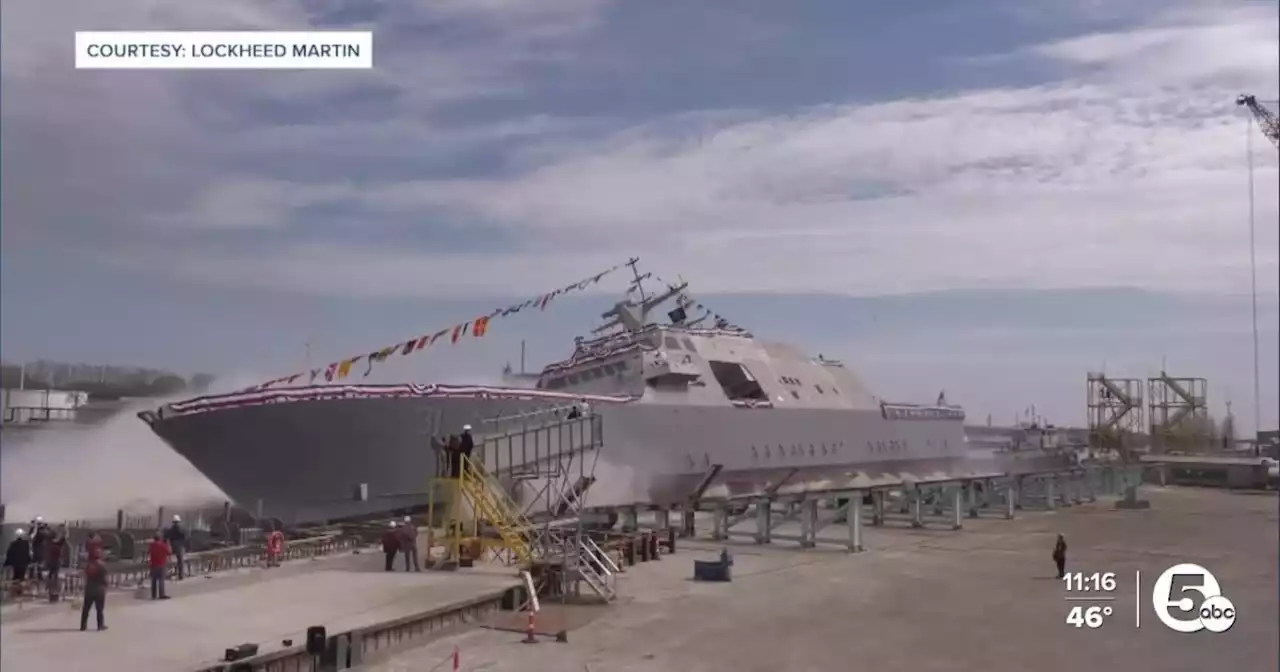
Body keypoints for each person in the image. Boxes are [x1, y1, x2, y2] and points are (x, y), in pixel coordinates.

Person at [80, 555, 108, 631]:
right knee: (99, 609)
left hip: (89, 589)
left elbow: (85, 575)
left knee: (86, 609)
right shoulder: (102, 566)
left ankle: (83, 626)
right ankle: (100, 625)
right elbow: (105, 580)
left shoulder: (89, 566)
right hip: (99, 590)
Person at [43, 531, 66, 603]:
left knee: (51, 575)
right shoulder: (57, 547)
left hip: (51, 563)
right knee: (55, 576)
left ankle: (50, 592)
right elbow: (59, 555)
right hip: (55, 563)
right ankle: (54, 594)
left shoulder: (50, 545)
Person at [148, 534, 171, 600]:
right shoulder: (163, 545)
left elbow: (149, 552)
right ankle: (161, 594)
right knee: (161, 580)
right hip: (162, 564)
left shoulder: (152, 546)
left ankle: (153, 595)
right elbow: (169, 552)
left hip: (153, 564)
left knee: (153, 580)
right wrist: (168, 544)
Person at [164, 515, 188, 580]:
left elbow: (166, 536)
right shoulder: (182, 529)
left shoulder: (172, 529)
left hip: (173, 545)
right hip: (180, 546)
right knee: (180, 561)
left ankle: (174, 573)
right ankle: (181, 575)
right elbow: (185, 537)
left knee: (176, 560)